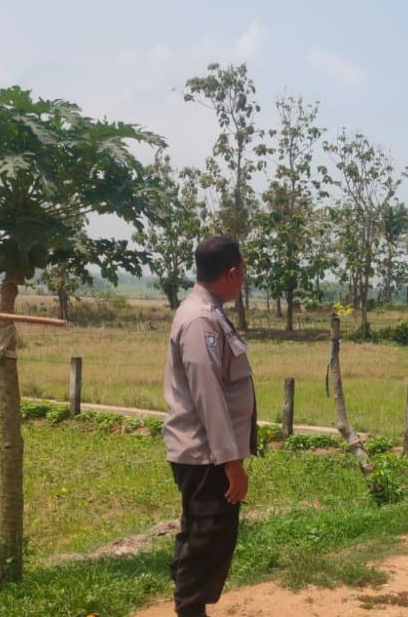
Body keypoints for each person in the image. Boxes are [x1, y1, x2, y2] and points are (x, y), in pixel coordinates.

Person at [163, 236, 258, 617]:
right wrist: (231, 462)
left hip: (207, 454)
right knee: (208, 539)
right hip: (205, 456)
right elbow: (208, 396)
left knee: (203, 535)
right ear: (232, 272)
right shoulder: (201, 318)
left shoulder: (209, 312)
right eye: (243, 272)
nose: (243, 279)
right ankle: (189, 608)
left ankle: (191, 606)